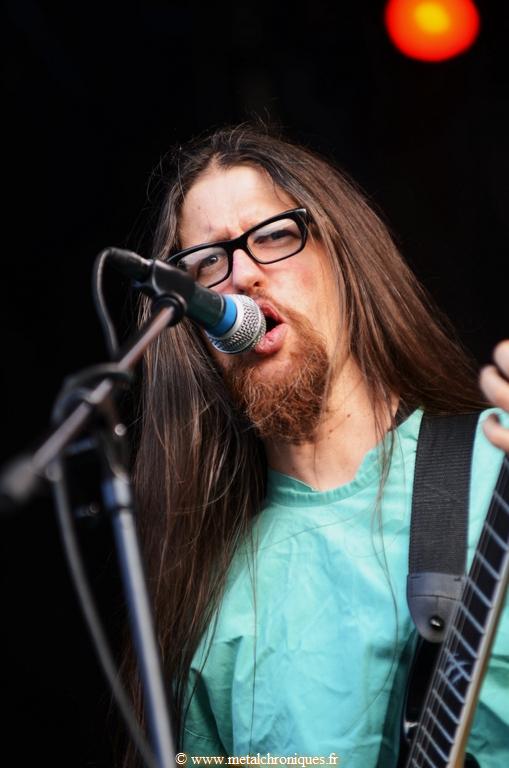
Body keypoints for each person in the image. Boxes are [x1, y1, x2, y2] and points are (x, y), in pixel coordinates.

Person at [126, 124, 509, 768]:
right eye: (207, 264)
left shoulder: (497, 462)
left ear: (344, 255)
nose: (241, 276)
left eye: (274, 235)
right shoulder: (206, 601)